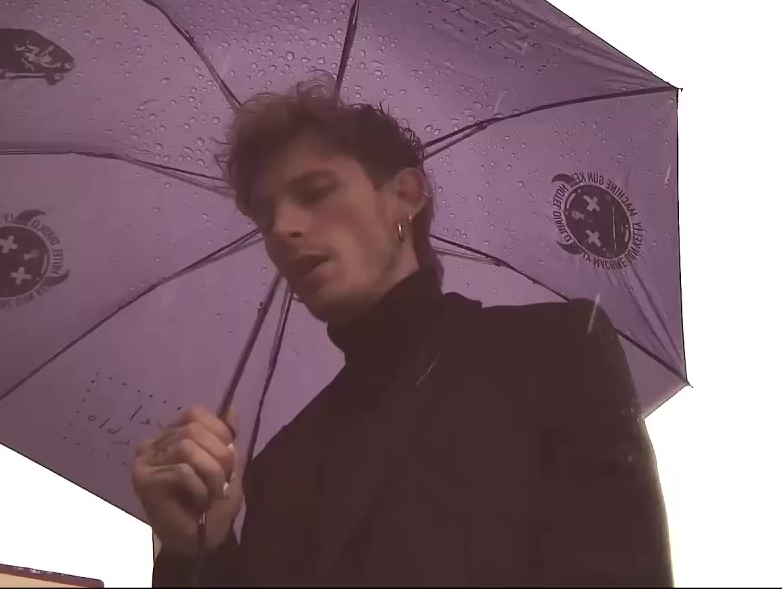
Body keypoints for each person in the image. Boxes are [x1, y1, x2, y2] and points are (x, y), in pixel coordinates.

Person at [133, 79, 673, 587]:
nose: (283, 229)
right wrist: (196, 548)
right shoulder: (279, 468)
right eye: (264, 214)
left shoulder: (550, 356)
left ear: (407, 196)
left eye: (314, 193)